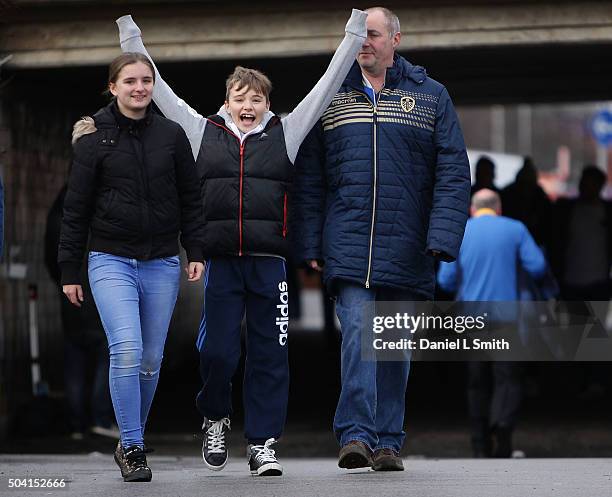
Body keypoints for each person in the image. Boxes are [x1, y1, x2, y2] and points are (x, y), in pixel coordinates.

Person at [116, 9, 367, 476]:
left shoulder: (286, 134)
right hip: (222, 263)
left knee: (271, 352)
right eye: (239, 97)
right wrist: (130, 35)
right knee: (217, 352)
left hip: (270, 264)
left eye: (256, 98)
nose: (247, 104)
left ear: (267, 103)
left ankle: (263, 444)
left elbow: (328, 86)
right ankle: (214, 416)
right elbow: (161, 91)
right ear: (226, 102)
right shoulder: (200, 132)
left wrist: (354, 32)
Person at [293, 6, 471, 471]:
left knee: (392, 348)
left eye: (371, 35)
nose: (363, 43)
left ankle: (389, 441)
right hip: (348, 246)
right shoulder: (330, 97)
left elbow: (453, 172)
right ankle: (355, 434)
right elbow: (309, 178)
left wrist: (443, 237)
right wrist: (309, 244)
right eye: (356, 36)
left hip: (409, 247)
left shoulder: (431, 97)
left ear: (395, 39)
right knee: (357, 334)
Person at [58, 52, 205, 482]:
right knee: (126, 349)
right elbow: (75, 209)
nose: (139, 88)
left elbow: (190, 198)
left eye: (146, 80)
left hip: (161, 261)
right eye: (130, 81)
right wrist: (69, 269)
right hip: (110, 259)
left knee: (152, 358)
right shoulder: (93, 140)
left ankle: (128, 439)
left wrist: (194, 249)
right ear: (113, 87)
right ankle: (134, 445)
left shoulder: (172, 136)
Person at [437, 189, 546, 457]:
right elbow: (538, 266)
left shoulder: (461, 231)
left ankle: (479, 443)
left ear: (473, 209)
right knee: (507, 378)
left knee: (477, 382)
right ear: (499, 208)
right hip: (507, 316)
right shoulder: (515, 229)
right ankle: (503, 426)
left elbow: (445, 280)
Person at [45, 184, 116, 440]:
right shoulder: (104, 198)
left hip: (70, 287)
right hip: (100, 288)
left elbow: (49, 253)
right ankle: (100, 418)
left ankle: (76, 423)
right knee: (108, 354)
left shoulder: (61, 203)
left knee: (75, 357)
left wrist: (64, 279)